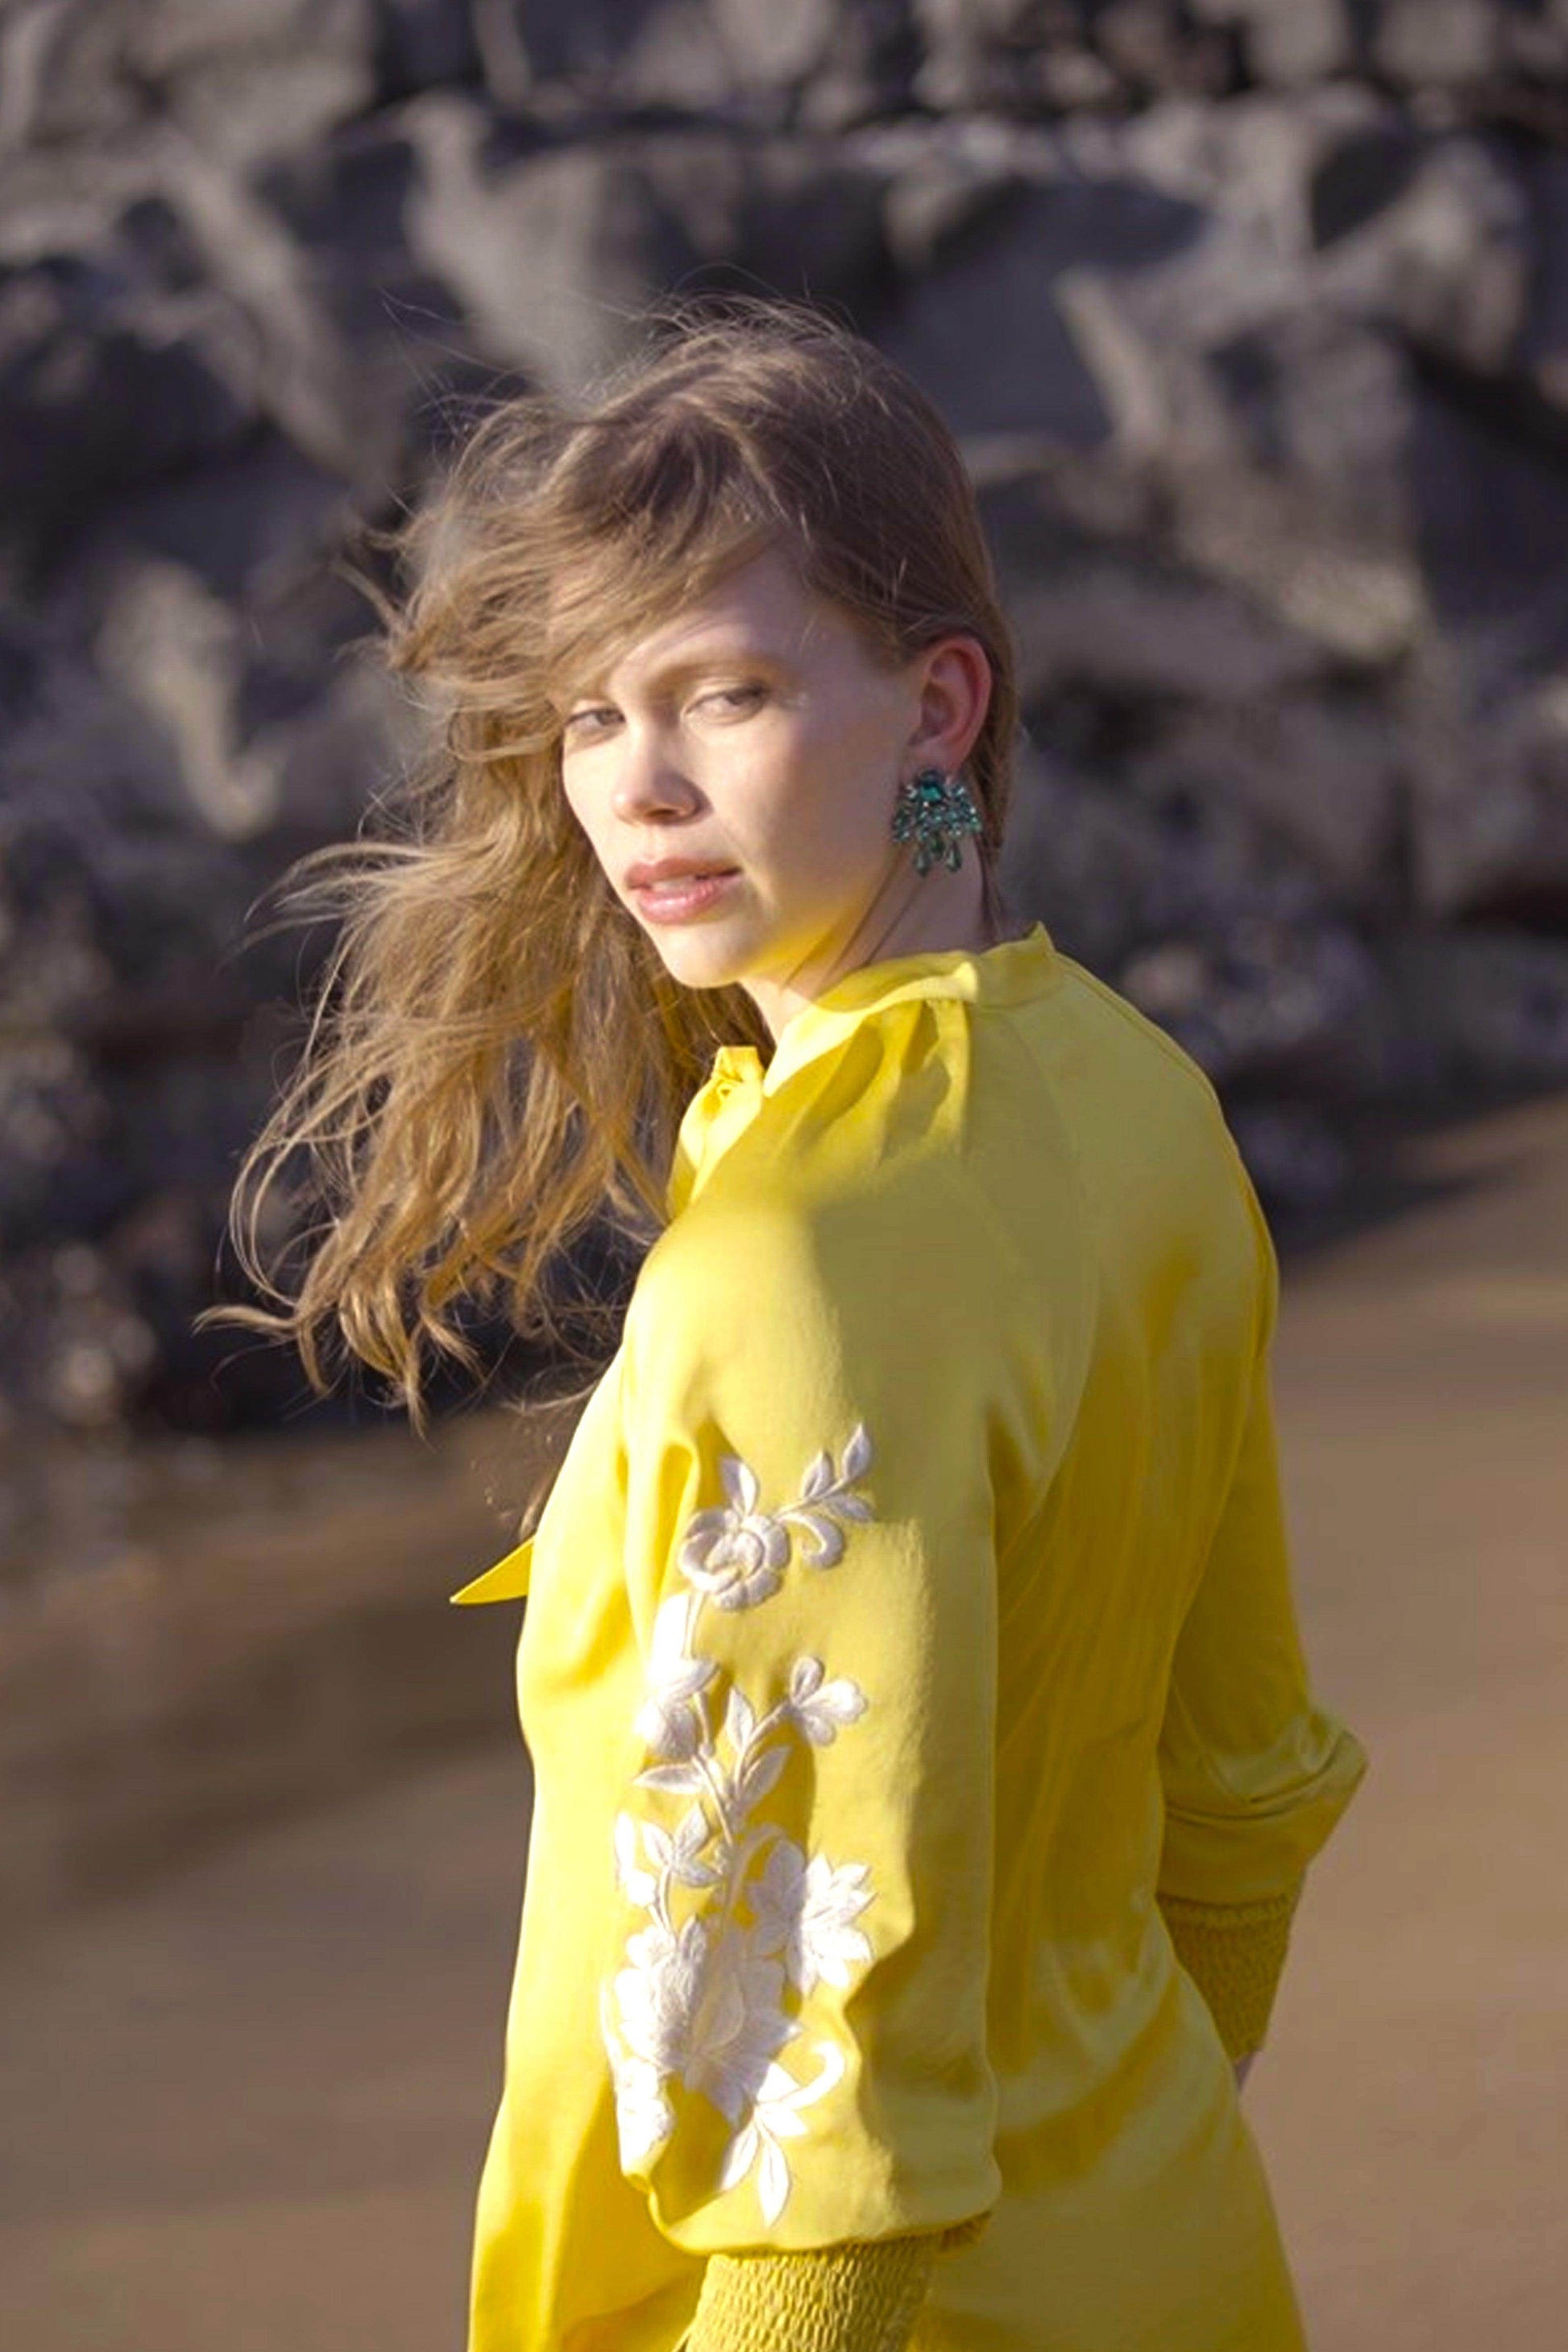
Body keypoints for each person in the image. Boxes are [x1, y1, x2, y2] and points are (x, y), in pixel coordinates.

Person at [215, 295, 1369, 2350]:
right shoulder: (1133, 1096)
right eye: (588, 715)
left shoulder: (794, 1262)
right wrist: (1118, 2167)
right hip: (1167, 2243)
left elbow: (829, 2136)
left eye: (723, 694)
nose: (637, 789)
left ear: (937, 706)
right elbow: (1242, 1793)